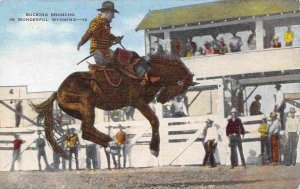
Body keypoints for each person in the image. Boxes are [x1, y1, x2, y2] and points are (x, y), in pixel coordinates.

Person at [77, 1, 122, 66]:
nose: (113, 17)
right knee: (112, 64)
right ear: (106, 13)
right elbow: (90, 32)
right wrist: (81, 42)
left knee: (119, 60)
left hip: (105, 50)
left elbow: (107, 35)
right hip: (98, 51)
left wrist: (116, 39)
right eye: (112, 14)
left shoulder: (106, 23)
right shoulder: (97, 22)